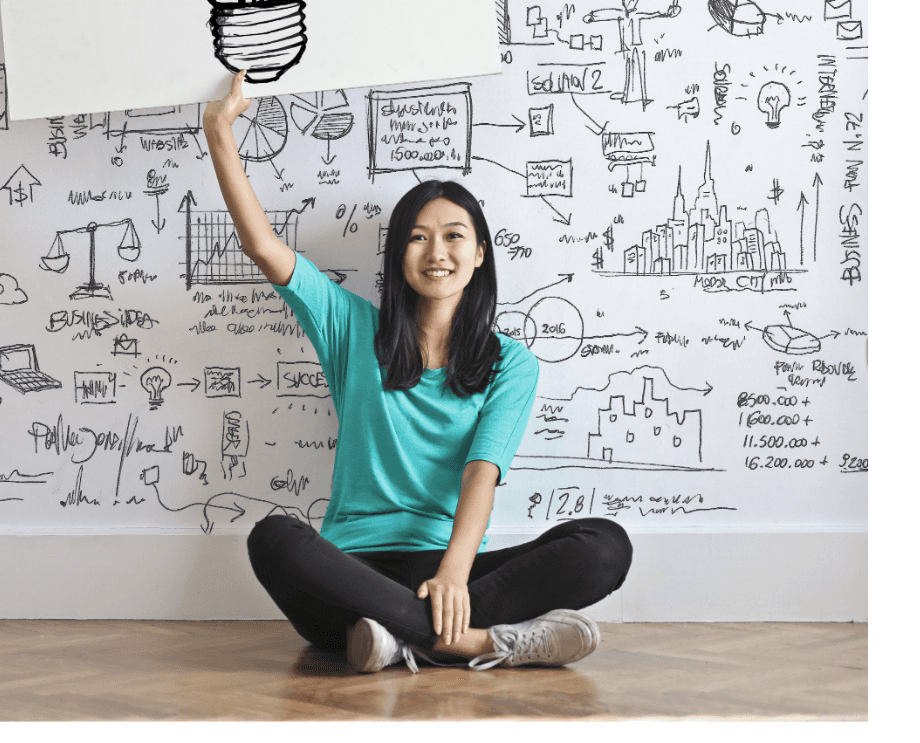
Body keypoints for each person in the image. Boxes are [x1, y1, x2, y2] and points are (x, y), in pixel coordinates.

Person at [203, 71, 633, 673]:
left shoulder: (512, 362)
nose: (437, 253)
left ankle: (394, 639)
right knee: (275, 539)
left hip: (453, 568)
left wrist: (454, 572)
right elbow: (263, 246)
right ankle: (480, 644)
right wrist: (219, 130)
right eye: (418, 238)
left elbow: (482, 472)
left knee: (604, 545)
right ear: (397, 257)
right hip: (352, 570)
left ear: (480, 253)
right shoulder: (351, 329)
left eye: (454, 236)